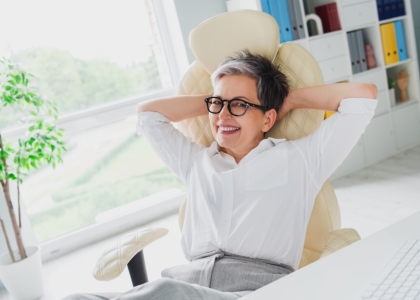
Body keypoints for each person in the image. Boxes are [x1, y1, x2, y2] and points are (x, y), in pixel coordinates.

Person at [64, 51, 377, 300]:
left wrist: (289, 99)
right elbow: (148, 114)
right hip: (186, 283)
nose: (224, 115)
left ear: (269, 117)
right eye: (218, 103)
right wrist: (216, 103)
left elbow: (362, 97)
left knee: (164, 293)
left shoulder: (302, 159)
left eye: (239, 105)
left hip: (255, 289)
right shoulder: (196, 162)